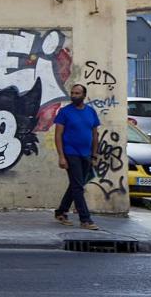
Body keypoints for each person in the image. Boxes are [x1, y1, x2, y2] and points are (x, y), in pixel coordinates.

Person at [53, 83, 101, 230]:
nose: (74, 96)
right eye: (72, 93)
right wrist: (61, 156)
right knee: (78, 187)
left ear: (84, 96)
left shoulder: (91, 112)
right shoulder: (64, 112)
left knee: (76, 185)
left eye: (77, 93)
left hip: (86, 155)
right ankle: (85, 220)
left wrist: (94, 154)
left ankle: (61, 211)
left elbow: (94, 135)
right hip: (70, 153)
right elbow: (58, 135)